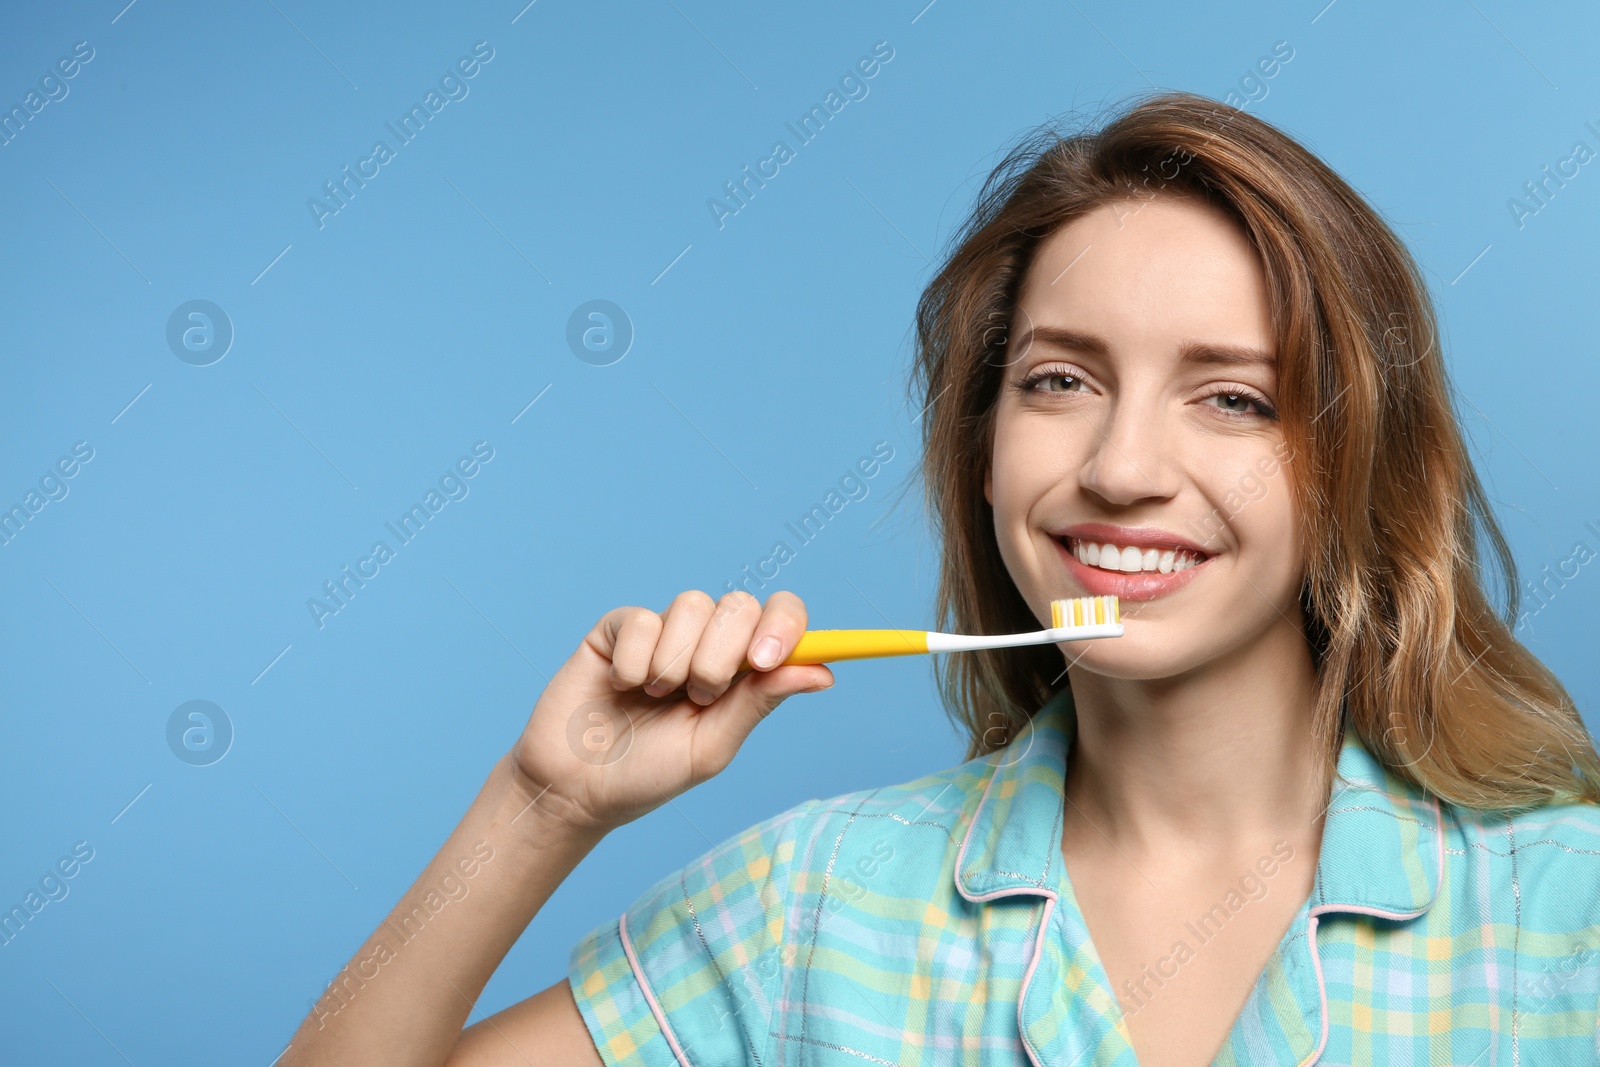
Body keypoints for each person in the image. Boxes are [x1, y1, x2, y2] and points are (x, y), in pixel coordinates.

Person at [278, 91, 1600, 1066]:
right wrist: (541, 804)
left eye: (1235, 399)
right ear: (982, 453)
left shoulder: (1566, 913)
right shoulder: (817, 908)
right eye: (1059, 382)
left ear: (1356, 463)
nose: (1122, 465)